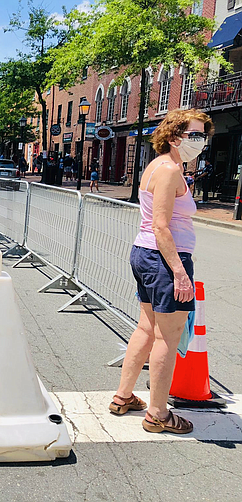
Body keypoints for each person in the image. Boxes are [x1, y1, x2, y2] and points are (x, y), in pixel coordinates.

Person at [110, 108, 212, 435]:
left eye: (202, 135)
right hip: (163, 259)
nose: (200, 141)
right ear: (173, 137)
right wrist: (181, 274)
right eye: (193, 135)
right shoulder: (168, 170)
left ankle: (123, 396)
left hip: (147, 256)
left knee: (146, 328)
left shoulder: (160, 167)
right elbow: (161, 227)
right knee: (165, 337)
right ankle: (157, 413)